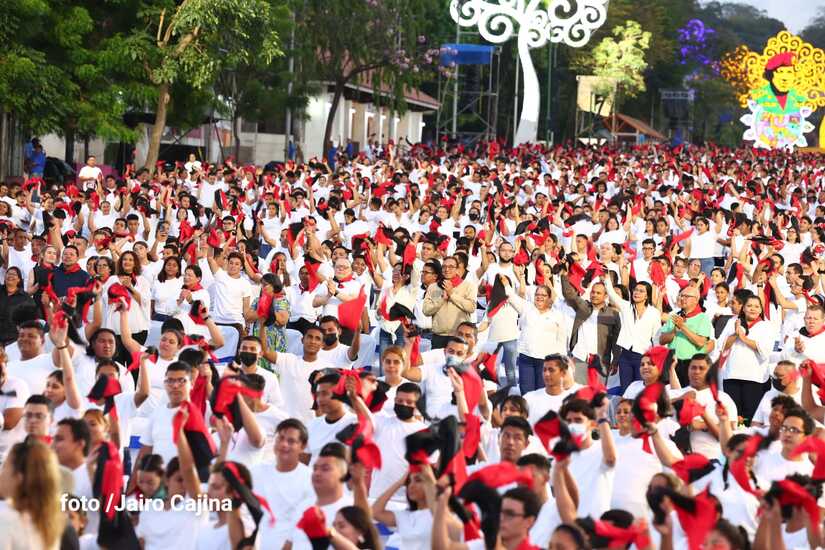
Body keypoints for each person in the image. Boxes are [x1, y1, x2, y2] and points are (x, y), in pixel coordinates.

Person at [0, 439, 65, 550]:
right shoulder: (50, 524)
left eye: (5, 467)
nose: (1, 474)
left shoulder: (5, 518)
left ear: (18, 478)